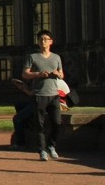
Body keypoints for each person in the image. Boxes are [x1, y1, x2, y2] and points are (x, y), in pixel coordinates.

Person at [23, 30, 63, 161]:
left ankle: (51, 145)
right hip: (39, 95)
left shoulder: (56, 57)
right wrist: (38, 74)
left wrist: (58, 74)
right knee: (39, 125)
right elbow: (24, 74)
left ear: (51, 41)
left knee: (57, 122)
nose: (43, 41)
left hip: (54, 94)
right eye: (41, 39)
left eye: (46, 39)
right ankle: (42, 150)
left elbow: (62, 75)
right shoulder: (32, 57)